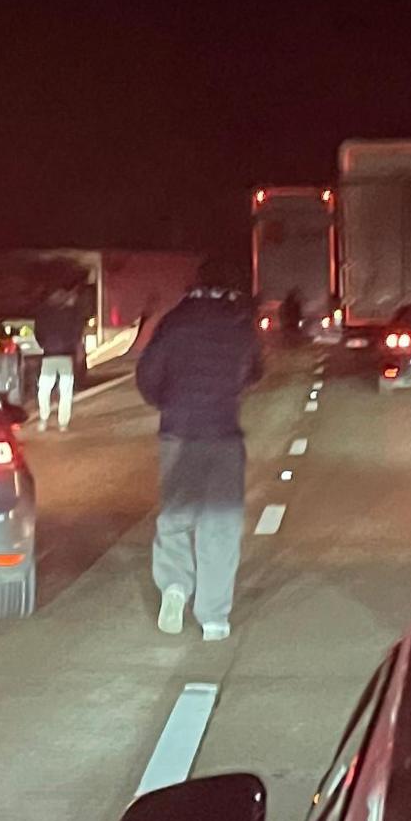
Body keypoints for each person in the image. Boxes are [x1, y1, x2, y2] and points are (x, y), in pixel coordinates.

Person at [135, 259, 262, 641]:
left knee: (176, 517)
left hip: (179, 434)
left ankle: (175, 586)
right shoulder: (239, 325)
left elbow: (147, 376)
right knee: (220, 525)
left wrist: (168, 403)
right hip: (223, 435)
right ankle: (214, 618)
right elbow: (255, 371)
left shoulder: (174, 322)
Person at [31, 287, 84, 430]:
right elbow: (78, 330)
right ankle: (63, 423)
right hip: (66, 355)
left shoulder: (44, 313)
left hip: (49, 354)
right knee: (65, 390)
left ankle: (44, 419)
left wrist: (44, 344)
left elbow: (38, 333)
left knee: (44, 389)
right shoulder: (71, 312)